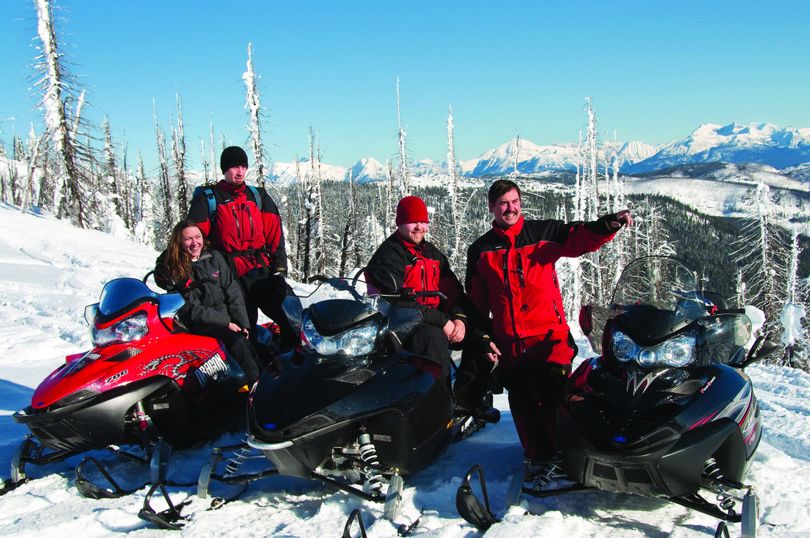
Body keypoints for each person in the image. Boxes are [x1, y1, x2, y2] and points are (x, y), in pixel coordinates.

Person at [465, 179, 632, 463]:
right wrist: (483, 337)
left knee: (553, 399)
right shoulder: (481, 251)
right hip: (511, 343)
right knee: (522, 402)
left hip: (548, 338)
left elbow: (579, 236)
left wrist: (608, 225)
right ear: (492, 207)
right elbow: (476, 304)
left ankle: (562, 456)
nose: (511, 209)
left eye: (515, 202)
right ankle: (536, 458)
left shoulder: (543, 233)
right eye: (504, 203)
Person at [186, 146, 298, 350]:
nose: (239, 171)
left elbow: (275, 235)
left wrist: (280, 266)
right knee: (244, 329)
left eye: (243, 166)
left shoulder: (257, 196)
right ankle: (257, 373)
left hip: (260, 269)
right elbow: (191, 238)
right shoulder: (210, 199)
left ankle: (296, 358)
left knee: (290, 315)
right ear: (224, 169)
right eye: (234, 167)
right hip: (230, 275)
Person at [364, 196, 470, 381]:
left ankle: (469, 396)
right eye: (413, 221)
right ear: (400, 223)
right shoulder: (389, 255)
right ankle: (439, 401)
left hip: (433, 319)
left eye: (423, 221)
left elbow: (452, 291)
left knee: (478, 333)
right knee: (432, 337)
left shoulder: (432, 254)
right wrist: (443, 322)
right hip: (400, 327)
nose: (419, 227)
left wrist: (459, 318)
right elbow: (398, 302)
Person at [159, 219, 263, 384]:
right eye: (188, 239)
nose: (195, 243)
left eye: (197, 237)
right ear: (179, 242)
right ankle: (254, 385)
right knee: (237, 342)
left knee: (257, 339)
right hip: (200, 323)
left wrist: (242, 323)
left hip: (226, 317)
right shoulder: (175, 268)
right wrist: (227, 323)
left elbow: (232, 290)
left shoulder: (214, 257)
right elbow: (190, 309)